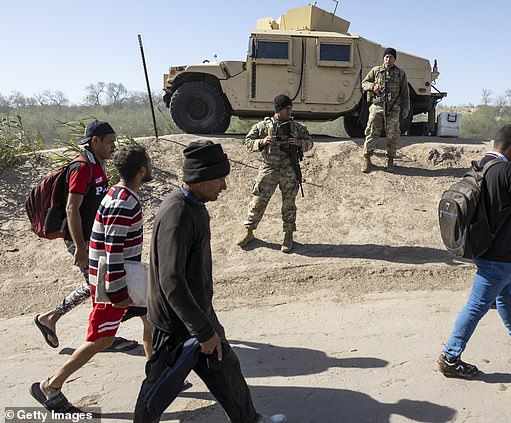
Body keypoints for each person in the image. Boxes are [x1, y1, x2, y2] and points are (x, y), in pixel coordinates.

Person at [134, 141, 286, 423]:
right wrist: (203, 331)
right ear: (200, 178)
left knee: (226, 369)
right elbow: (172, 281)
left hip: (198, 313)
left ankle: (250, 420)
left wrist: (205, 324)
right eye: (219, 179)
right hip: (174, 325)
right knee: (157, 389)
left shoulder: (195, 206)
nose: (224, 186)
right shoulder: (177, 215)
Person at [30, 145, 153, 411]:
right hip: (115, 283)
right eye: (149, 165)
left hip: (122, 279)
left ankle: (156, 376)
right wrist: (118, 293)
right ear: (142, 170)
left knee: (150, 319)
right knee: (101, 339)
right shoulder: (125, 202)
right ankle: (51, 384)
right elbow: (114, 249)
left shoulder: (115, 193)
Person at [437, 125, 511, 379]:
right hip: (497, 254)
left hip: (481, 245)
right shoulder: (509, 171)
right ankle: (450, 357)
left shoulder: (481, 165)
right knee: (477, 306)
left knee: (505, 296)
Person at [34, 120, 136, 352]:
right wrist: (80, 246)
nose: (114, 146)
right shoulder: (81, 168)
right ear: (95, 141)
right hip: (80, 238)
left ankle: (52, 318)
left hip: (94, 237)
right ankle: (102, 338)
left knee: (98, 284)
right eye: (110, 142)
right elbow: (72, 208)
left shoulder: (97, 165)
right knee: (99, 285)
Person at [236, 94, 313, 253]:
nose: (290, 111)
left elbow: (310, 142)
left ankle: (288, 236)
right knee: (258, 201)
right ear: (279, 109)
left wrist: (298, 143)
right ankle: (249, 232)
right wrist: (263, 142)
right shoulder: (262, 127)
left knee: (289, 204)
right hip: (268, 168)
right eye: (287, 108)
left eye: (291, 108)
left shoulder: (297, 127)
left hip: (289, 169)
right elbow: (248, 142)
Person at [361, 47, 410, 173]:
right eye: (386, 57)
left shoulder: (400, 74)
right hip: (377, 107)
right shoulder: (376, 71)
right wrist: (373, 86)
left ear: (394, 59)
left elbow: (405, 92)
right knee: (372, 132)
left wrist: (406, 107)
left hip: (393, 108)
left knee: (392, 135)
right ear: (383, 58)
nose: (388, 59)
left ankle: (390, 159)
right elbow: (364, 83)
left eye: (391, 57)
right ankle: (367, 158)